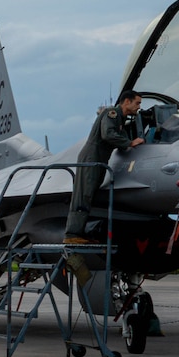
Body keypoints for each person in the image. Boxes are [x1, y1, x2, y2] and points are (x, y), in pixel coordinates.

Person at [64, 86, 147, 243]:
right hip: (91, 158)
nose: (139, 107)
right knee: (84, 195)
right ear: (127, 102)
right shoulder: (112, 114)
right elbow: (108, 134)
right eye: (137, 103)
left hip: (99, 159)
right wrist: (130, 142)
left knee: (89, 195)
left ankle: (79, 233)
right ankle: (71, 234)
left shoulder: (120, 119)